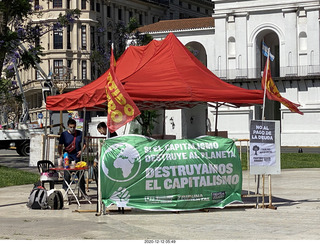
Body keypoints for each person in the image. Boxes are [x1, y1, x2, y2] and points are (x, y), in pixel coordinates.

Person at [58, 118, 87, 198]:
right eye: (71, 127)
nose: (73, 129)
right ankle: (65, 192)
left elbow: (84, 144)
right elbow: (60, 146)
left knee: (81, 176)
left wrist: (81, 151)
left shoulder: (80, 133)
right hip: (67, 157)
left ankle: (83, 193)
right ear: (68, 126)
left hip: (77, 158)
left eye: (74, 127)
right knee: (67, 175)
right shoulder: (64, 134)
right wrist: (61, 155)